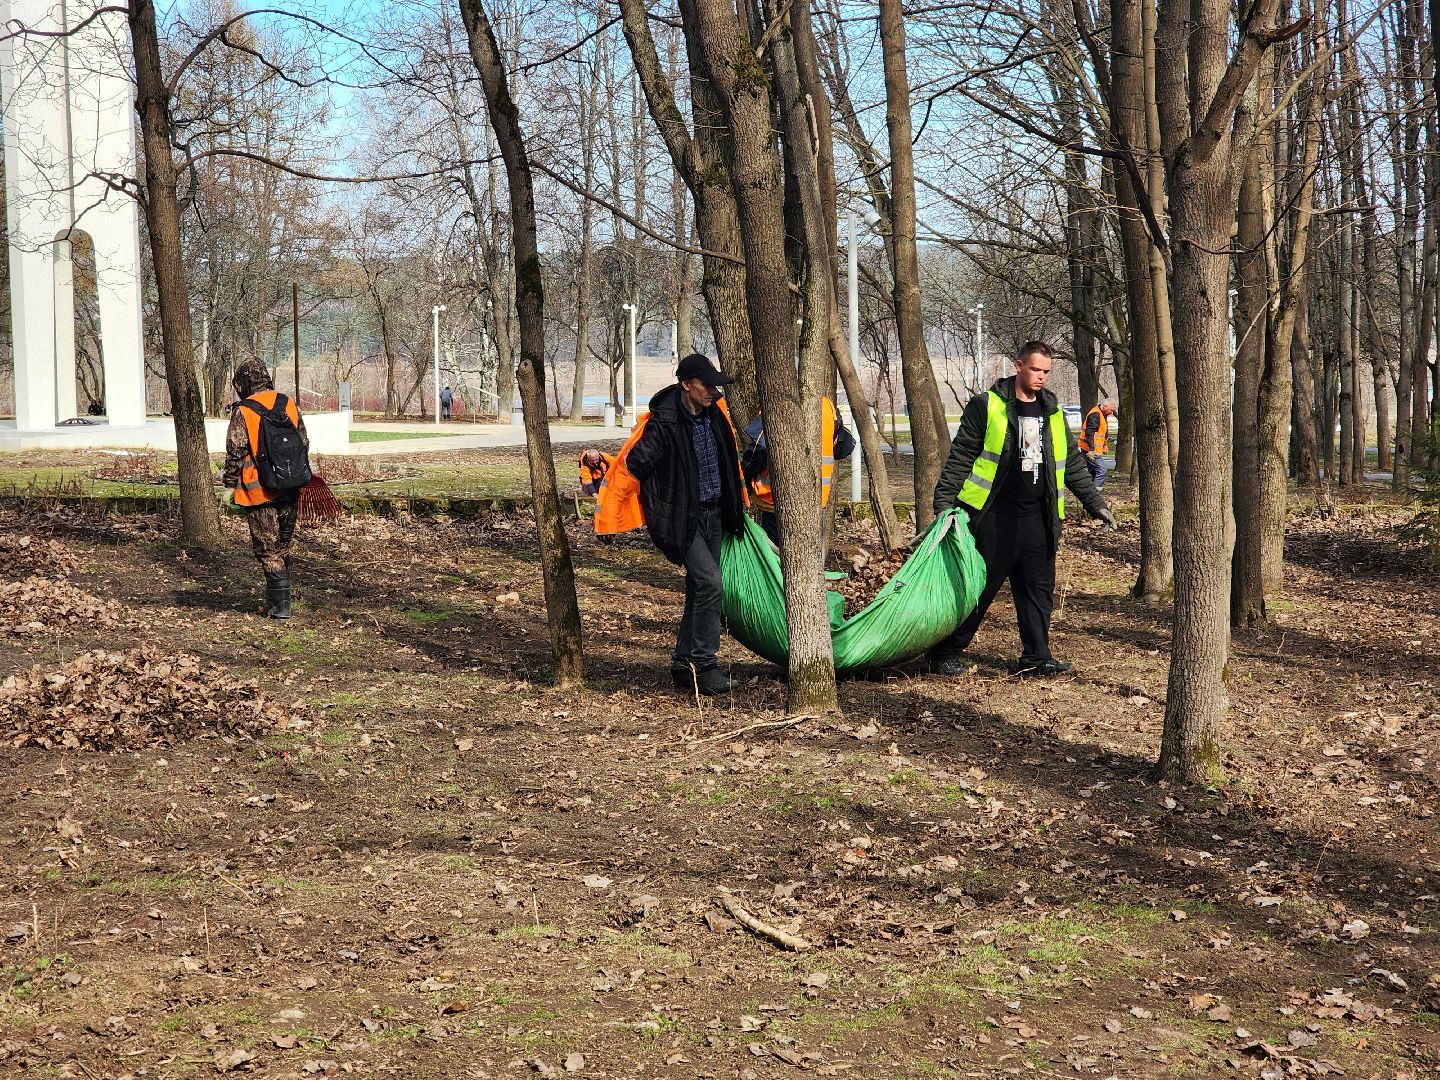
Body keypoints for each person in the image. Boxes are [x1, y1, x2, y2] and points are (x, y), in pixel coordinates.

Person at [930, 341, 1115, 677]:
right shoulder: (988, 405)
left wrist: (1095, 503)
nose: (1041, 377)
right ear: (1018, 365)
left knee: (1037, 591)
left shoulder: (1052, 410)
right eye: (1035, 369)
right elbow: (961, 456)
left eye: (1046, 371)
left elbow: (1071, 461)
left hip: (1039, 518)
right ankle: (946, 652)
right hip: (994, 517)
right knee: (979, 588)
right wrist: (943, 504)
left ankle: (1036, 657)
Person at [624, 353, 746, 696]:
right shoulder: (665, 422)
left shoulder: (714, 415)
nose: (712, 391)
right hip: (684, 520)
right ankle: (705, 665)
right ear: (686, 385)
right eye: (705, 385)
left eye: (714, 386)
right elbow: (636, 464)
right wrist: (663, 504)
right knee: (711, 585)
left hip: (715, 514)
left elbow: (727, 461)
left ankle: (683, 664)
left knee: (698, 589)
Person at [222, 359, 309, 620]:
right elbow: (303, 440)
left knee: (268, 550)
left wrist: (228, 488)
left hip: (258, 491)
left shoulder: (244, 411)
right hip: (291, 485)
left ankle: (280, 609)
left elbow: (235, 452)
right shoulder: (288, 403)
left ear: (243, 383)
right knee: (283, 546)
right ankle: (282, 602)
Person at [742, 398, 856, 545]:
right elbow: (844, 447)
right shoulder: (827, 406)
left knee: (776, 559)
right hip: (816, 499)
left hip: (777, 500)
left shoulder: (776, 402)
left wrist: (744, 474)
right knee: (810, 555)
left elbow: (758, 448)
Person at [1079, 399, 1117, 491]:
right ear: (1105, 407)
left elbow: (1102, 432)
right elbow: (1089, 432)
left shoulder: (1102, 414)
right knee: (1101, 470)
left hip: (1094, 450)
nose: (1112, 412)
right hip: (1091, 450)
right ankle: (1095, 494)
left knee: (1092, 472)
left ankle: (1088, 494)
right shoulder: (1095, 415)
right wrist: (1091, 450)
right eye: (1111, 410)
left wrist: (1105, 445)